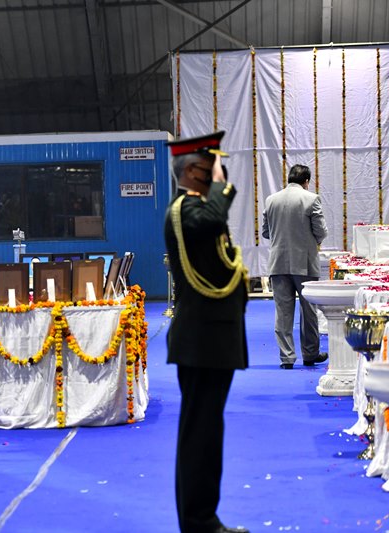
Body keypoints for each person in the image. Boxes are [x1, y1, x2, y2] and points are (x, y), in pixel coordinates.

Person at [163, 131, 249, 533]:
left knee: (206, 432)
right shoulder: (185, 210)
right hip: (202, 341)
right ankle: (198, 522)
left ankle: (203, 517)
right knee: (201, 433)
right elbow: (215, 216)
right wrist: (219, 181)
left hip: (211, 340)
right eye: (211, 165)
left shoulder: (195, 210)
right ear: (194, 171)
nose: (219, 171)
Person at [261, 164, 328, 370]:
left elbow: (265, 232)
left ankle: (287, 358)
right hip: (305, 264)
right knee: (308, 311)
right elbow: (321, 231)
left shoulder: (271, 200)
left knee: (282, 312)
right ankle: (310, 354)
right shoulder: (311, 199)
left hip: (278, 263)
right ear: (306, 181)